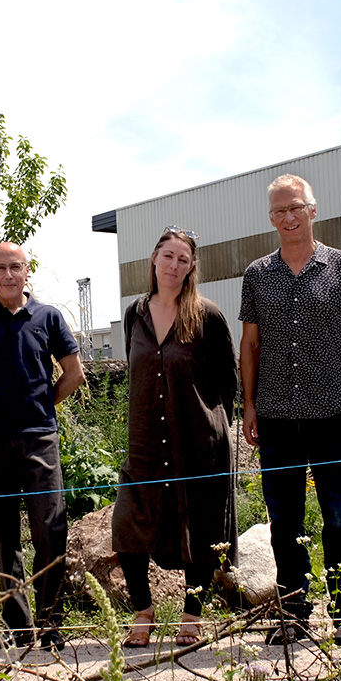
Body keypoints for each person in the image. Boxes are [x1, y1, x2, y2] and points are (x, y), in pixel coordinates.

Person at [240, 174, 341, 647]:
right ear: (271, 218)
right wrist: (249, 405)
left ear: (313, 209)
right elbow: (250, 345)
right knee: (285, 520)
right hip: (275, 417)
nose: (288, 217)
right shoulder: (257, 274)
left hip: (332, 413)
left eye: (295, 207)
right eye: (279, 210)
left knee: (339, 516)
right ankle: (294, 609)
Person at [112, 226, 238, 649]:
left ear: (191, 267)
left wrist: (216, 428)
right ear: (154, 258)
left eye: (183, 259)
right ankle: (143, 612)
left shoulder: (207, 316)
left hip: (198, 440)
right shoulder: (135, 314)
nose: (174, 265)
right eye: (168, 256)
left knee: (200, 527)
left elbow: (227, 381)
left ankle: (192, 614)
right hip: (146, 439)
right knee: (128, 526)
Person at [0, 242, 84, 652]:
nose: (8, 275)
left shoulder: (48, 317)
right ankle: (17, 626)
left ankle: (49, 625)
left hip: (40, 438)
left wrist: (44, 404)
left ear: (27, 271)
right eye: (0, 268)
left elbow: (74, 374)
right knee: (4, 535)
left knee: (50, 530)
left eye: (16, 267)